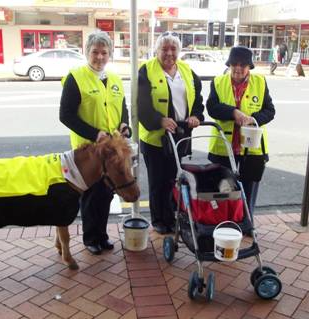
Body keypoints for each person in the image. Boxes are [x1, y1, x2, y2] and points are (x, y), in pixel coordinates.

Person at [59, 31, 130, 255]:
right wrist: (94, 133)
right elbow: (66, 115)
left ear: (110, 53)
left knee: (107, 193)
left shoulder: (115, 79)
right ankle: (91, 238)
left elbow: (123, 109)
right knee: (91, 195)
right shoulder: (76, 77)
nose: (99, 57)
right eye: (95, 52)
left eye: (104, 52)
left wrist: (125, 125)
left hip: (111, 149)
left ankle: (102, 234)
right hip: (88, 151)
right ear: (86, 52)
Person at [138, 31, 204, 234]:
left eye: (173, 49)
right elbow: (141, 105)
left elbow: (198, 101)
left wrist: (196, 116)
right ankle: (159, 220)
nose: (169, 53)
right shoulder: (146, 71)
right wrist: (159, 120)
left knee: (173, 179)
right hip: (156, 138)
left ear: (179, 51)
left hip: (180, 135)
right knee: (158, 181)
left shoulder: (187, 71)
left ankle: (171, 215)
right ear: (156, 51)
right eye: (164, 49)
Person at [206, 46, 275, 215]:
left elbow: (270, 110)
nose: (238, 68)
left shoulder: (260, 82)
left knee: (248, 192)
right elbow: (212, 108)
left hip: (252, 149)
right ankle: (224, 222)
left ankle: (246, 225)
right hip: (223, 148)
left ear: (249, 67)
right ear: (229, 65)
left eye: (242, 65)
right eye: (234, 64)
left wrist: (254, 119)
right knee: (224, 190)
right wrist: (233, 112)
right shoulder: (218, 82)